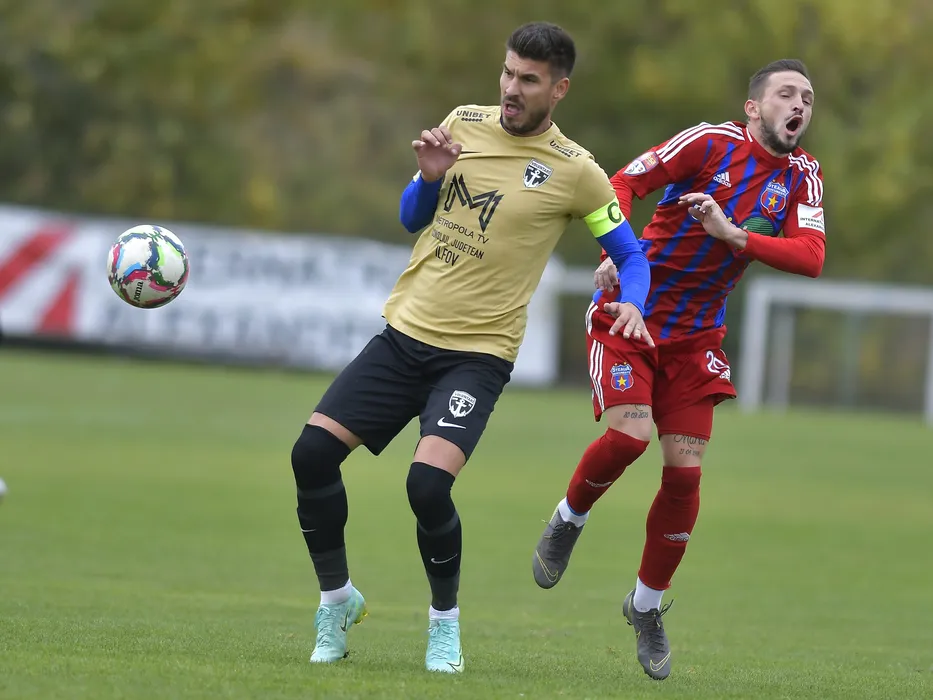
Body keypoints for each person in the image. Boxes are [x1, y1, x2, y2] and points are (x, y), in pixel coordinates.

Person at [289, 21, 654, 675]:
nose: (511, 88)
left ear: (559, 90)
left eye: (529, 80)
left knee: (427, 486)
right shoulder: (462, 122)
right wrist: (430, 179)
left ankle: (443, 627)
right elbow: (411, 216)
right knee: (311, 456)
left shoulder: (577, 172)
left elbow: (629, 254)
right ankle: (337, 602)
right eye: (508, 73)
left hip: (476, 356)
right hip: (403, 336)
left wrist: (633, 302)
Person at [531, 59, 826, 680]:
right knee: (629, 438)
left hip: (696, 341)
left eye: (807, 96)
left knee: (685, 476)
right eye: (786, 93)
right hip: (631, 314)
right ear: (753, 107)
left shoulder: (803, 176)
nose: (799, 104)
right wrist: (619, 254)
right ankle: (568, 519)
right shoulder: (709, 143)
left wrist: (733, 235)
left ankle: (645, 606)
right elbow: (621, 182)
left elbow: (810, 256)